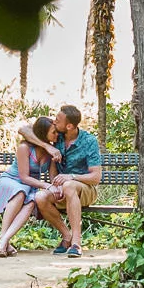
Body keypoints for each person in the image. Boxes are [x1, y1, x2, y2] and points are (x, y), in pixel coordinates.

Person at [34, 104, 101, 258]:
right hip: (63, 191)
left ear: (69, 126)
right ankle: (66, 237)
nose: (54, 122)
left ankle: (76, 243)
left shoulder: (89, 141)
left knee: (70, 185)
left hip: (85, 190)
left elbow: (96, 177)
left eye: (58, 120)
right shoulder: (57, 137)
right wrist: (53, 185)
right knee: (40, 197)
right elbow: (24, 130)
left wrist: (71, 177)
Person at [0, 115, 59, 257]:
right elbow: (23, 177)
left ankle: (3, 241)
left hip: (29, 186)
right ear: (42, 133)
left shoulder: (52, 151)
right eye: (53, 132)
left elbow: (52, 176)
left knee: (31, 202)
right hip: (11, 181)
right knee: (21, 192)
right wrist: (46, 185)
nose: (57, 134)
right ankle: (3, 240)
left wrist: (56, 186)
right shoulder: (24, 147)